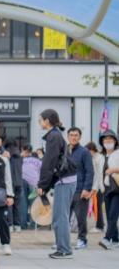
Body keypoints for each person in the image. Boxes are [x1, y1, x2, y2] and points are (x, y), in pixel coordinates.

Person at [37, 109, 76, 259]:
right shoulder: (55, 135)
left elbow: (49, 162)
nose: (39, 123)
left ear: (47, 121)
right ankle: (63, 248)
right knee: (59, 216)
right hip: (65, 180)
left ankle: (65, 250)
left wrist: (42, 185)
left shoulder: (53, 136)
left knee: (60, 217)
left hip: (64, 181)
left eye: (40, 120)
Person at [67, 127, 94, 250]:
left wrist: (87, 188)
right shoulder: (65, 151)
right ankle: (63, 240)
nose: (73, 137)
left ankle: (82, 240)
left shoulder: (84, 152)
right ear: (68, 137)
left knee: (80, 217)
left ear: (80, 137)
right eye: (71, 135)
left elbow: (90, 171)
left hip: (80, 190)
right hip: (66, 189)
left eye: (76, 135)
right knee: (64, 217)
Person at [99, 130, 119, 250]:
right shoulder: (101, 157)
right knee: (109, 215)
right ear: (102, 142)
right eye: (105, 139)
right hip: (106, 189)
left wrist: (113, 170)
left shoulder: (118, 153)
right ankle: (116, 240)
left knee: (113, 215)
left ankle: (107, 238)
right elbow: (99, 174)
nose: (108, 141)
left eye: (111, 139)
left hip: (117, 189)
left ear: (115, 141)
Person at [4, 139, 25, 232]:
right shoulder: (20, 156)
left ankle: (10, 225)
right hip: (19, 182)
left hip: (10, 182)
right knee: (17, 205)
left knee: (9, 204)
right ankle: (18, 225)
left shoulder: (6, 155)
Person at [86, 141, 106, 233]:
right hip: (96, 186)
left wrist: (95, 188)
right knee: (95, 206)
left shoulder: (99, 158)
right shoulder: (93, 158)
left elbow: (99, 174)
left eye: (88, 151)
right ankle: (101, 225)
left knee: (97, 206)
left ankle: (100, 226)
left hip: (100, 186)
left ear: (92, 150)